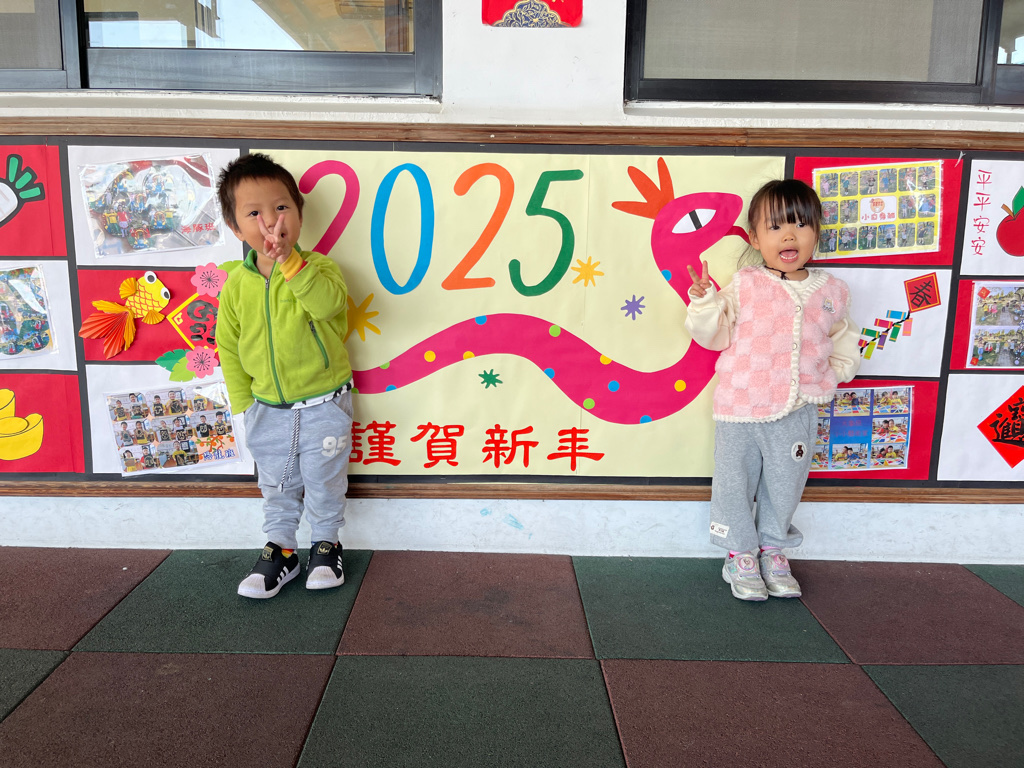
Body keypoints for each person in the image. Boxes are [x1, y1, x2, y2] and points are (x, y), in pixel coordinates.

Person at [685, 178, 861, 601]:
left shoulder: (831, 292)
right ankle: (739, 554)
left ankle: (774, 549)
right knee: (734, 483)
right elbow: (713, 334)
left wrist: (835, 374)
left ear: (816, 232)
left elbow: (844, 339)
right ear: (754, 238)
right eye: (776, 226)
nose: (788, 236)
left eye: (800, 225)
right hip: (740, 408)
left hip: (798, 409)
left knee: (785, 485)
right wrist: (705, 301)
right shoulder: (745, 285)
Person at [217, 152, 354, 600]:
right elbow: (228, 346)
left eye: (280, 208)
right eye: (253, 214)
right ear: (236, 228)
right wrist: (245, 405)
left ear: (298, 214)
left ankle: (327, 544)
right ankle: (282, 550)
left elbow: (329, 306)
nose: (270, 222)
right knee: (276, 484)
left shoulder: (320, 268)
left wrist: (291, 263)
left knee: (323, 479)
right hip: (266, 409)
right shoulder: (235, 285)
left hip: (323, 404)